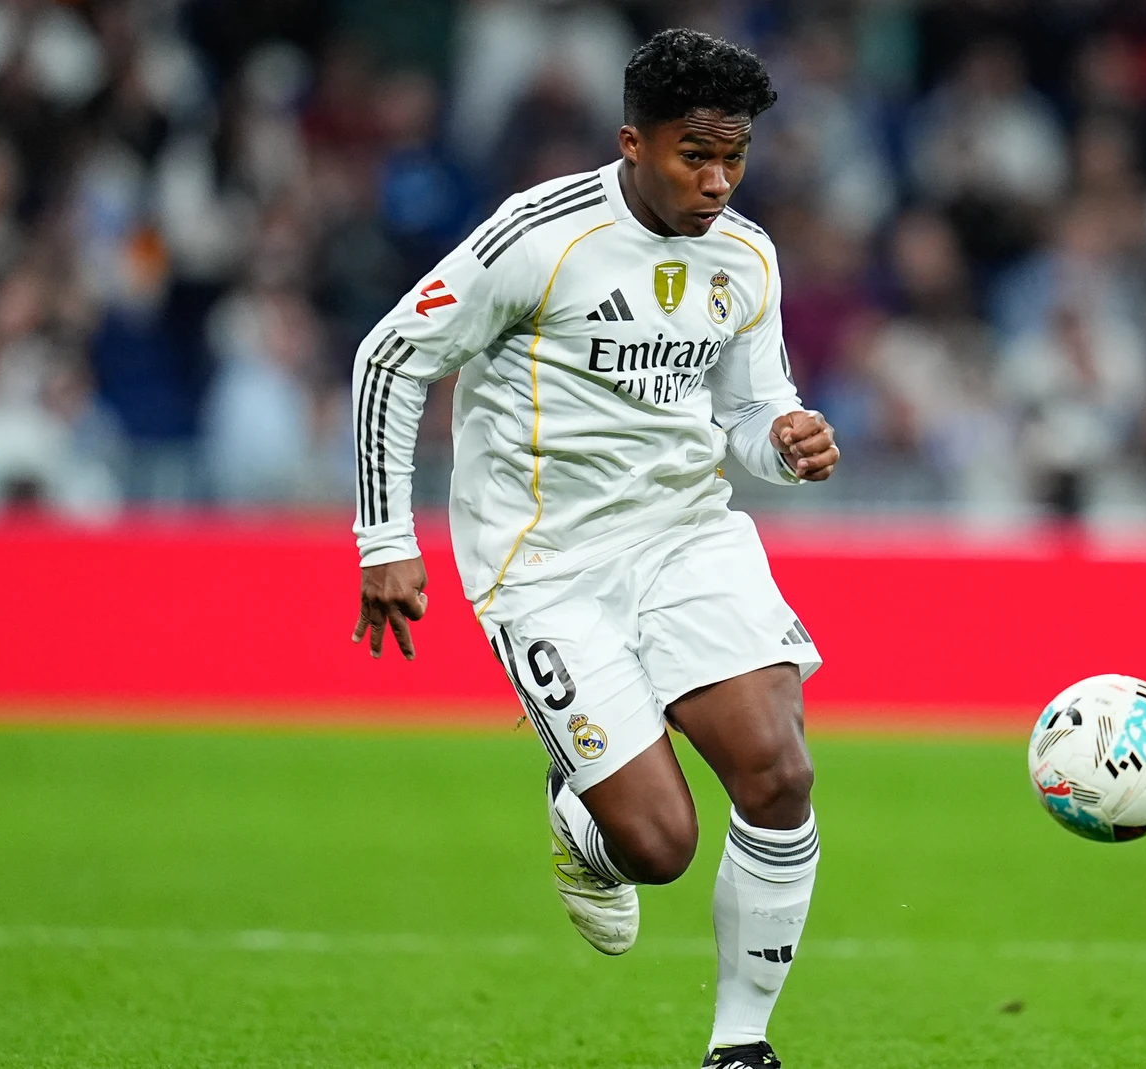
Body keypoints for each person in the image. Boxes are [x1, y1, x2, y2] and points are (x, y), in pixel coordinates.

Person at [347, 29, 838, 1069]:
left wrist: (786, 441)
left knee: (778, 773)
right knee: (659, 847)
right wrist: (385, 538)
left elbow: (751, 409)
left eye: (734, 157)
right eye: (694, 156)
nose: (717, 182)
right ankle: (582, 809)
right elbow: (390, 357)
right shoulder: (538, 238)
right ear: (632, 142)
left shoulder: (745, 255)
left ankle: (740, 1045)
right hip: (546, 568)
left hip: (684, 535)